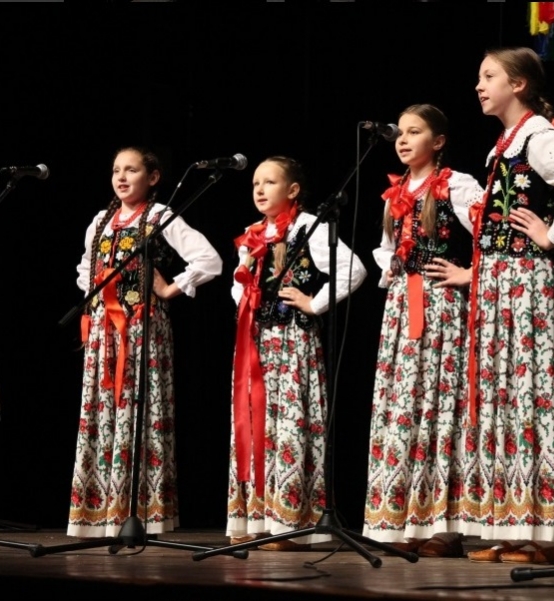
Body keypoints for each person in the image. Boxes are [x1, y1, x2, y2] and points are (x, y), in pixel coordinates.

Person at [463, 47, 554, 563]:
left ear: (519, 84)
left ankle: (551, 535)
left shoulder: (541, 137)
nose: (479, 86)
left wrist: (553, 234)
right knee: (505, 397)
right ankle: (514, 526)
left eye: (489, 76)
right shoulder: (504, 144)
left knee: (533, 394)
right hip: (500, 284)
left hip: (527, 282)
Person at [68, 146, 222, 538]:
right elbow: (86, 269)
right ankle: (100, 511)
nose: (121, 177)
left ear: (152, 178)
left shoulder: (159, 217)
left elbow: (209, 260)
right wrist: (99, 301)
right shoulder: (100, 221)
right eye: (116, 170)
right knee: (104, 410)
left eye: (131, 170)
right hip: (104, 332)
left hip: (141, 329)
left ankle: (139, 511)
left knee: (139, 410)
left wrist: (170, 289)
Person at [361, 104, 484, 557]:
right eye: (401, 132)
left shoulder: (457, 184)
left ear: (439, 141)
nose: (403, 139)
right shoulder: (395, 193)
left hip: (441, 309)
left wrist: (468, 273)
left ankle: (445, 527)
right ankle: (405, 519)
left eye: (415, 132)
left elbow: (491, 234)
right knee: (405, 408)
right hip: (401, 308)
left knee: (439, 407)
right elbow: (386, 248)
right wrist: (393, 268)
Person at [228, 156, 366, 550]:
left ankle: (289, 522)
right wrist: (246, 301)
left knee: (289, 426)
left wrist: (314, 303)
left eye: (269, 182)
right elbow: (238, 282)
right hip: (257, 341)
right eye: (255, 183)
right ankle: (258, 518)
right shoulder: (253, 233)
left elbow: (353, 269)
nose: (259, 189)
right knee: (256, 426)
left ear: (292, 190)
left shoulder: (309, 226)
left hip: (292, 341)